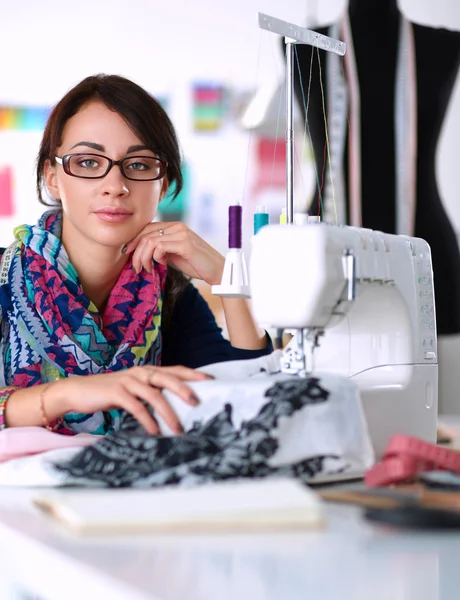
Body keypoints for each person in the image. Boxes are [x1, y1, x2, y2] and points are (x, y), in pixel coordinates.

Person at [0, 74, 272, 438]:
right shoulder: (5, 278)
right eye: (87, 162)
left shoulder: (169, 294)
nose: (115, 186)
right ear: (52, 177)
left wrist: (227, 278)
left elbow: (249, 400)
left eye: (140, 164)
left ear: (165, 185)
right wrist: (68, 394)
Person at [293, 0, 460, 336]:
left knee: (437, 386)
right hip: (326, 253)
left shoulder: (443, 46)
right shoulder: (304, 46)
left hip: (428, 258)